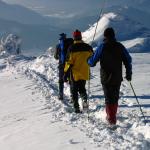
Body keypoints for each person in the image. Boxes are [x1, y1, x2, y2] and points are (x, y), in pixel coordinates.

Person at [88, 27, 132, 125]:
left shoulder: (102, 47)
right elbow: (128, 60)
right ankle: (112, 116)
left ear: (105, 36)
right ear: (114, 35)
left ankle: (111, 118)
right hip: (117, 77)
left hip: (105, 77)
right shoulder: (120, 46)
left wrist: (88, 59)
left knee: (108, 98)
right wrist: (129, 73)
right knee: (115, 98)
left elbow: (92, 62)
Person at [64, 29, 93, 113]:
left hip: (75, 73)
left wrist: (65, 73)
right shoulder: (88, 47)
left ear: (74, 38)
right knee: (82, 89)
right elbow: (92, 57)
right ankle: (84, 102)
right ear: (80, 37)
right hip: (84, 72)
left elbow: (68, 62)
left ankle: (76, 108)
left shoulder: (71, 48)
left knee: (74, 91)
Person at [54, 33, 73, 100]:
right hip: (69, 64)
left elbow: (55, 57)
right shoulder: (70, 44)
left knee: (61, 80)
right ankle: (72, 95)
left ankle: (61, 94)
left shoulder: (58, 46)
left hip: (61, 65)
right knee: (70, 80)